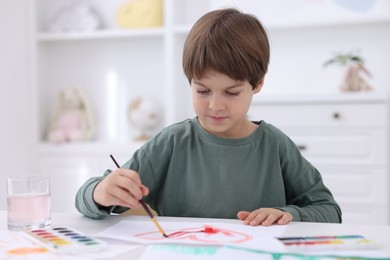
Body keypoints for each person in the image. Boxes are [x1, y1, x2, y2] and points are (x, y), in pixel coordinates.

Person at [75, 8, 342, 226]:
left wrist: (291, 215)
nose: (215, 105)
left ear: (257, 84)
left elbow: (329, 211)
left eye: (231, 92)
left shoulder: (275, 145)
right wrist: (101, 194)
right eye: (202, 90)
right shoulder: (171, 142)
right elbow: (88, 199)